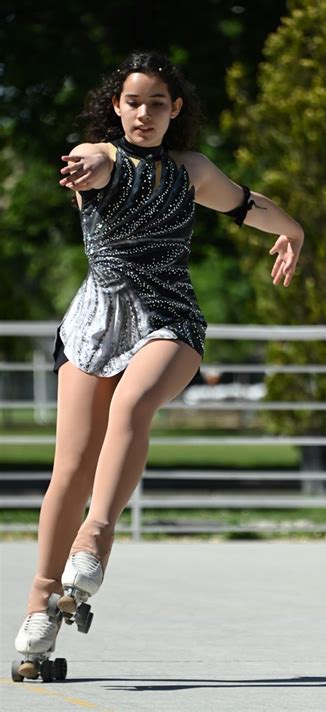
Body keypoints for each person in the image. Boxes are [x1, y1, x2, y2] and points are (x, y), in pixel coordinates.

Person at [13, 50, 304, 679]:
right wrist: (82, 165)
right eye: (134, 102)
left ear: (177, 111)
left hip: (169, 313)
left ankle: (97, 536)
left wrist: (293, 231)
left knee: (134, 403)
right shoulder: (99, 157)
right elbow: (91, 162)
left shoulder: (191, 170)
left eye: (159, 103)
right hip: (95, 317)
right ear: (116, 108)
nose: (145, 113)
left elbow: (246, 205)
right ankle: (40, 606)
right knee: (69, 466)